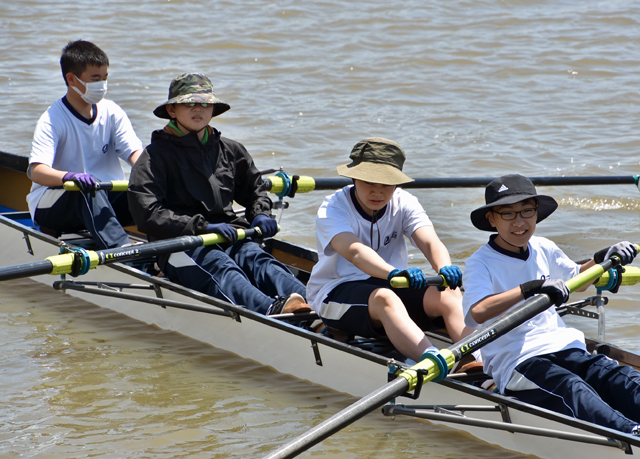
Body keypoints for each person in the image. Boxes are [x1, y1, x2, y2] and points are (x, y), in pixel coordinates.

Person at [462, 173, 640, 435]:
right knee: (572, 388)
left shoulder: (544, 247)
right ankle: (631, 434)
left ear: (536, 213)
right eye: (508, 214)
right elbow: (478, 311)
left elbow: (578, 280)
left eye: (526, 211)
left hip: (565, 346)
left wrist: (602, 257)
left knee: (618, 377)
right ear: (492, 219)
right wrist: (529, 289)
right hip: (518, 361)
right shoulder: (480, 262)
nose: (520, 222)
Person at [127, 72, 310, 316]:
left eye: (205, 104)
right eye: (190, 103)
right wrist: (201, 227)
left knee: (258, 258)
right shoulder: (154, 156)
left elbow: (255, 190)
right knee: (223, 267)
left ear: (213, 109)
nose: (198, 109)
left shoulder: (231, 150)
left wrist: (261, 214)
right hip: (179, 243)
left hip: (228, 233)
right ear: (172, 110)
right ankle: (272, 311)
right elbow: (147, 214)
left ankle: (316, 305)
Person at [306, 137, 477, 365]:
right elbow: (355, 252)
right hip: (335, 295)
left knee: (449, 293)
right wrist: (393, 273)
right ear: (354, 177)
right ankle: (436, 363)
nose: (377, 192)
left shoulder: (405, 202)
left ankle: (476, 363)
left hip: (391, 284)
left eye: (386, 184)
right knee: (386, 297)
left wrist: (444, 267)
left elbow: (429, 242)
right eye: (369, 182)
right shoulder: (333, 208)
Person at [27, 40, 143, 249]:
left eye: (105, 78)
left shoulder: (112, 111)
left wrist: (153, 174)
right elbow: (37, 171)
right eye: (96, 79)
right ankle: (123, 251)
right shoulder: (52, 119)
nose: (103, 85)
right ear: (71, 79)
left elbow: (135, 154)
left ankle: (169, 251)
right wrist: (69, 176)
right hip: (54, 205)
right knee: (87, 189)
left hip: (101, 196)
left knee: (148, 189)